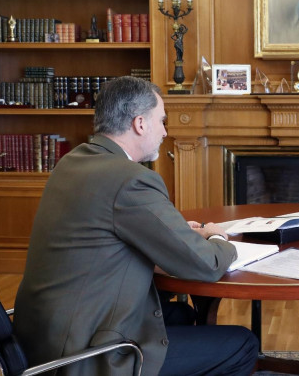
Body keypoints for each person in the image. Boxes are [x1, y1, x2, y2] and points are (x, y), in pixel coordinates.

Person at [13, 77, 258, 376]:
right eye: (162, 121)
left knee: (180, 314)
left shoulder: (73, 162)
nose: (166, 132)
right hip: (83, 357)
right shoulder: (130, 179)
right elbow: (206, 264)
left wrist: (175, 233)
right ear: (140, 123)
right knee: (243, 343)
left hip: (42, 340)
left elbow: (106, 233)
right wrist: (218, 236)